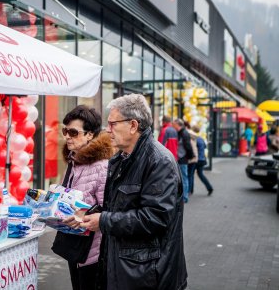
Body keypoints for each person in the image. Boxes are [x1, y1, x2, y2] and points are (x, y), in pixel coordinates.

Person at [81, 94, 187, 290]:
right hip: (128, 268)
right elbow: (119, 207)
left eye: (112, 124)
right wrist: (89, 215)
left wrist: (103, 221)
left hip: (148, 274)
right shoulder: (121, 158)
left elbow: (154, 218)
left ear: (133, 125)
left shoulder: (159, 161)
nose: (107, 129)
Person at [56, 105, 113, 290]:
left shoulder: (101, 166)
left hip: (93, 252)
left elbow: (109, 211)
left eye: (73, 132)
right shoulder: (74, 161)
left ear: (90, 135)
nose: (67, 136)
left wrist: (83, 216)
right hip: (75, 244)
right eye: (65, 130)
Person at [173, 118, 194, 203]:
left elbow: (188, 146)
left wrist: (188, 157)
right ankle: (183, 196)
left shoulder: (184, 133)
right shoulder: (181, 133)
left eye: (174, 124)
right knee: (182, 178)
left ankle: (184, 197)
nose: (172, 126)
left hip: (182, 158)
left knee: (184, 178)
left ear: (178, 125)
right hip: (181, 158)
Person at [191, 125, 214, 195]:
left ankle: (190, 190)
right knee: (200, 174)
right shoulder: (201, 138)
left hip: (196, 159)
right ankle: (209, 188)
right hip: (202, 159)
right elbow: (204, 147)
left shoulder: (194, 139)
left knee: (190, 174)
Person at [187, 127, 198, 195]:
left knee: (189, 175)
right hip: (195, 159)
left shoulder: (189, 140)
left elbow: (190, 150)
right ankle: (191, 189)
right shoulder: (194, 139)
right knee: (191, 175)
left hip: (191, 159)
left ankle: (189, 190)